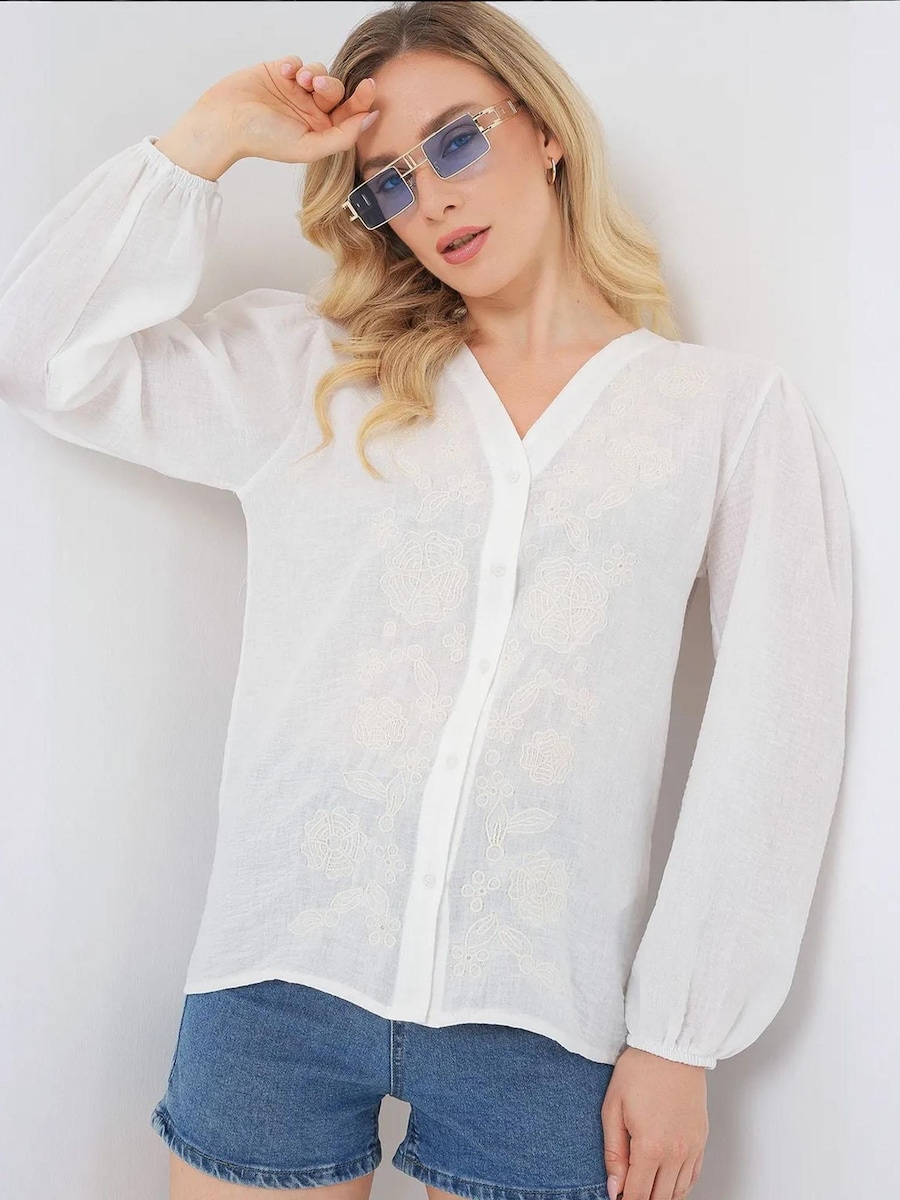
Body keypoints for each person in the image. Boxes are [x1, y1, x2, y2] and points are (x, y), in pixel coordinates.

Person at [0, 3, 852, 1199]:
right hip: (279, 978)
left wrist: (682, 1034)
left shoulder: (725, 414)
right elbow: (37, 357)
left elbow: (778, 725)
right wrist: (206, 139)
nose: (434, 197)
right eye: (390, 181)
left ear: (545, 129)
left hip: (541, 1020)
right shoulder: (315, 373)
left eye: (456, 140)